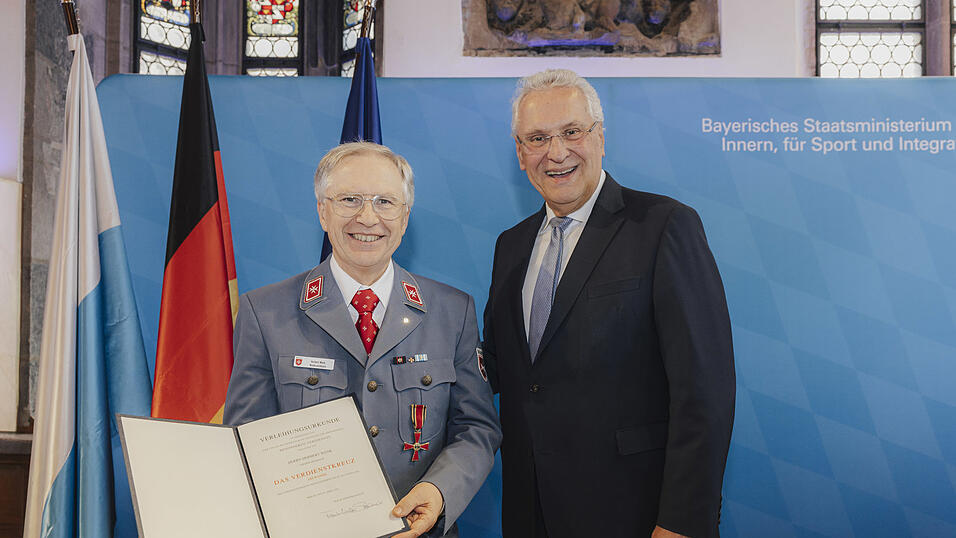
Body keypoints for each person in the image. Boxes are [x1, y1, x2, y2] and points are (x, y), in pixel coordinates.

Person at [482, 69, 735, 538]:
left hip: (636, 515)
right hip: (529, 511)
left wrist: (683, 522)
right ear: (520, 153)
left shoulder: (664, 226)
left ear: (600, 137)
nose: (556, 153)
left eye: (572, 132)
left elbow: (705, 391)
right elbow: (501, 367)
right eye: (537, 138)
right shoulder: (510, 246)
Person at [224, 141, 502, 538]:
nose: (368, 217)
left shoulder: (452, 311)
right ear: (323, 211)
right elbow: (247, 438)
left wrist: (440, 491)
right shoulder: (264, 312)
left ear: (405, 218)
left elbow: (477, 427)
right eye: (350, 199)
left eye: (386, 202)